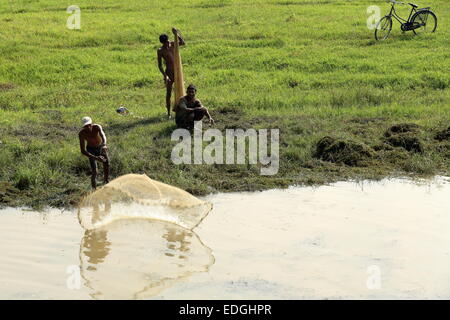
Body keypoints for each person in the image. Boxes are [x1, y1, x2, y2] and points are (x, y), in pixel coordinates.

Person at [157, 27, 185, 118]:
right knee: (168, 93)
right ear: (162, 43)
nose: (167, 44)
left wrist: (176, 34)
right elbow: (160, 65)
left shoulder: (173, 44)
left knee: (179, 89)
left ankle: (180, 109)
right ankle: (168, 113)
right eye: (165, 44)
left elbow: (183, 43)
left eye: (167, 42)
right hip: (169, 73)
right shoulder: (160, 50)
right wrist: (165, 76)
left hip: (177, 72)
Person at [78, 117, 110, 189]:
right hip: (90, 150)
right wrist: (96, 158)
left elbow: (103, 135)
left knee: (107, 163)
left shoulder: (97, 127)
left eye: (89, 125)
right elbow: (83, 150)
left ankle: (106, 180)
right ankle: (94, 189)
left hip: (100, 147)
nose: (88, 127)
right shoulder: (82, 134)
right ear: (83, 127)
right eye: (86, 126)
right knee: (95, 171)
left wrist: (104, 145)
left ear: (91, 123)